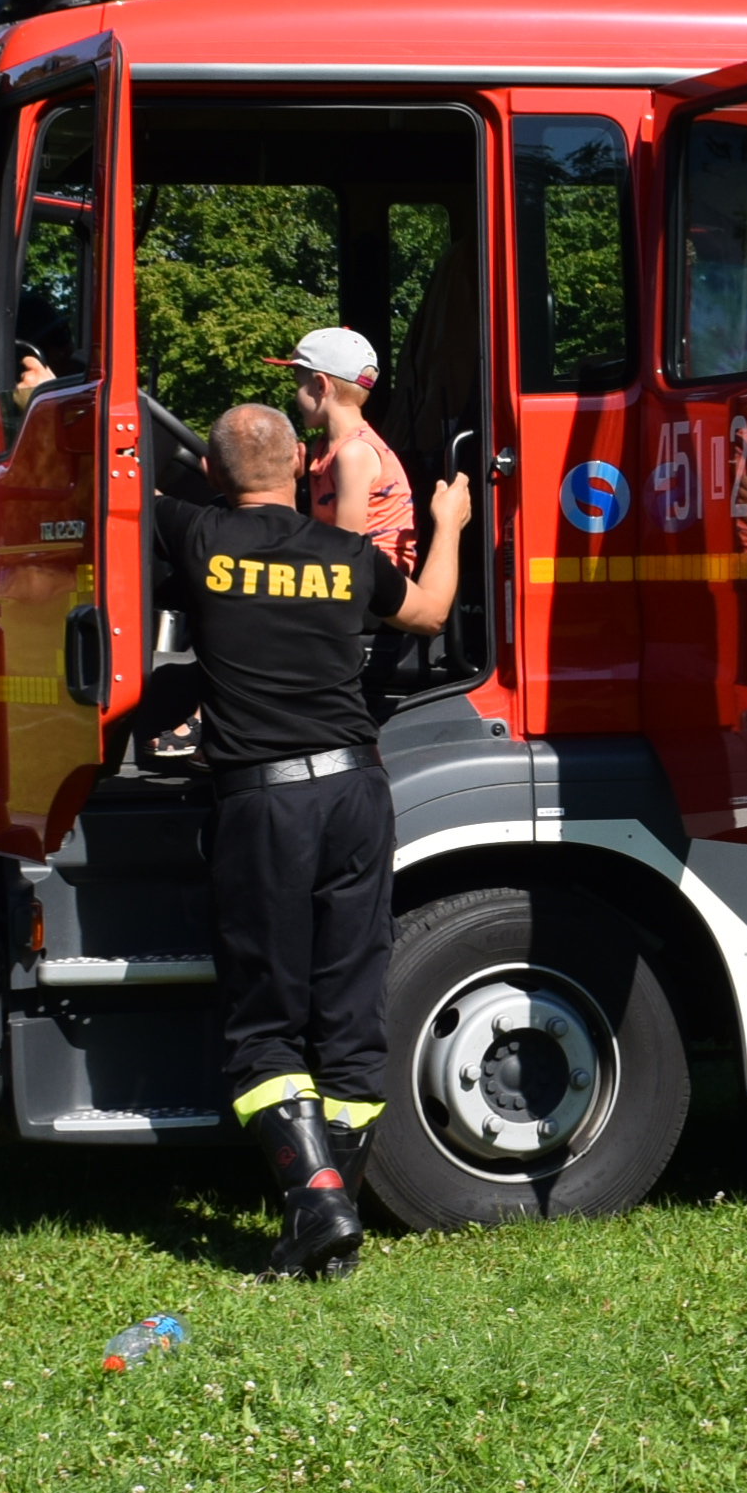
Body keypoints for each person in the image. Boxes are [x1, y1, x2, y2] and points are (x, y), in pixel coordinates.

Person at [158, 400, 473, 1279]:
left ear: (217, 476)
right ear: (302, 467)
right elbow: (432, 612)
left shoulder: (195, 535)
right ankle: (324, 1236)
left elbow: (115, 483)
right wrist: (446, 523)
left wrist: (39, 402)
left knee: (265, 1025)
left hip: (264, 806)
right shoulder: (346, 555)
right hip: (357, 794)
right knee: (349, 1016)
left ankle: (319, 1202)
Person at [283, 324, 420, 574]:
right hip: (352, 570)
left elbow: (346, 551)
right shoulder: (324, 447)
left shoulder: (353, 453)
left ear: (321, 386)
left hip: (378, 579)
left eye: (298, 385)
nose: (295, 397)